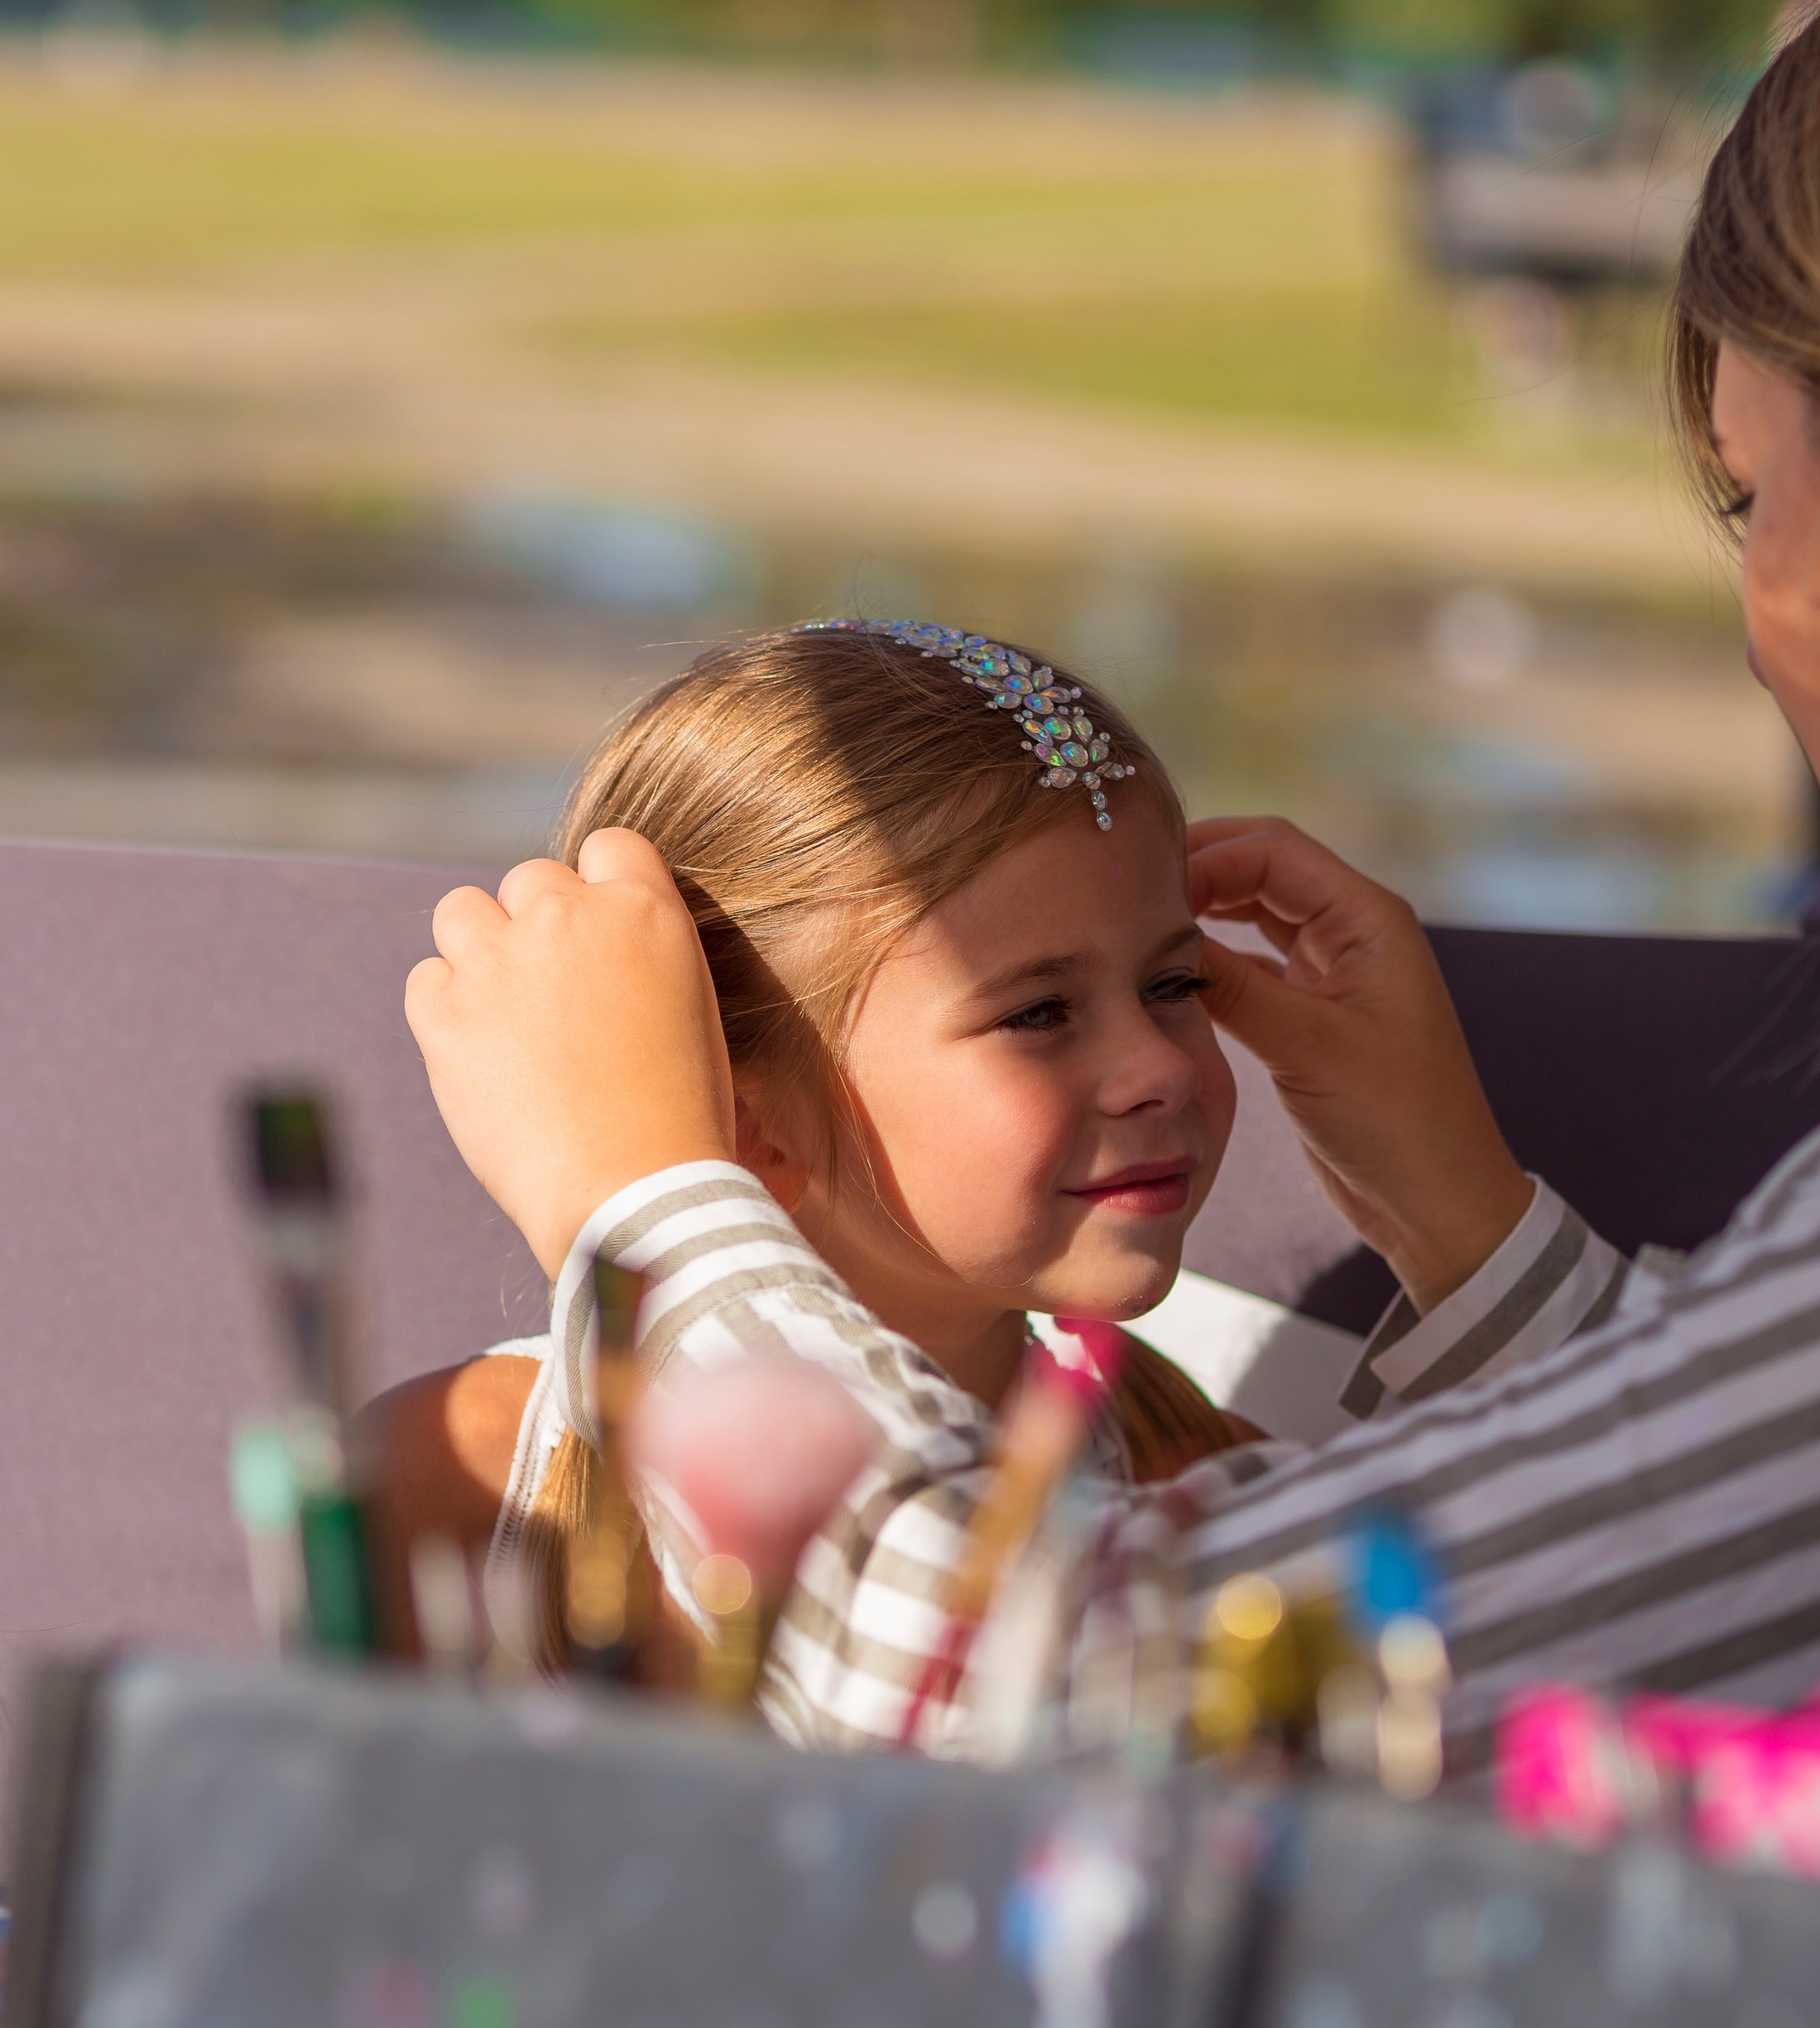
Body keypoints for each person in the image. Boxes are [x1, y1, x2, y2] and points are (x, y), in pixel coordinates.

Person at [406, 0, 1820, 1763]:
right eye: (1034, 1002)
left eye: (1750, 500)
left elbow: (1068, 1717)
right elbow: (1763, 1544)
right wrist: (1464, 1225)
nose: (1751, 642)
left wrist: (645, 1220)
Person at [369, 619, 1259, 1689]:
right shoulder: (459, 1474)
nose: (1155, 1064)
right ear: (746, 1121)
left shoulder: (1198, 1482)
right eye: (1039, 1012)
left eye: (1176, 984)